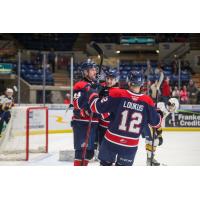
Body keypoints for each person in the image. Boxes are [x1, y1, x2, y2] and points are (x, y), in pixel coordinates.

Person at [88, 71, 163, 166]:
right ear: (142, 84)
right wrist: (158, 113)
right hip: (130, 146)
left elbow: (95, 107)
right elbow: (156, 123)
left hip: (111, 141)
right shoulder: (147, 101)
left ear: (128, 82)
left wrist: (94, 92)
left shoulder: (117, 93)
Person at [71, 59, 99, 166]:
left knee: (89, 153)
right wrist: (85, 111)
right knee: (80, 152)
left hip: (94, 123)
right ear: (85, 72)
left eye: (94, 70)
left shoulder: (95, 84)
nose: (94, 72)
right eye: (92, 70)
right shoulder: (80, 85)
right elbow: (76, 103)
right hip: (81, 123)